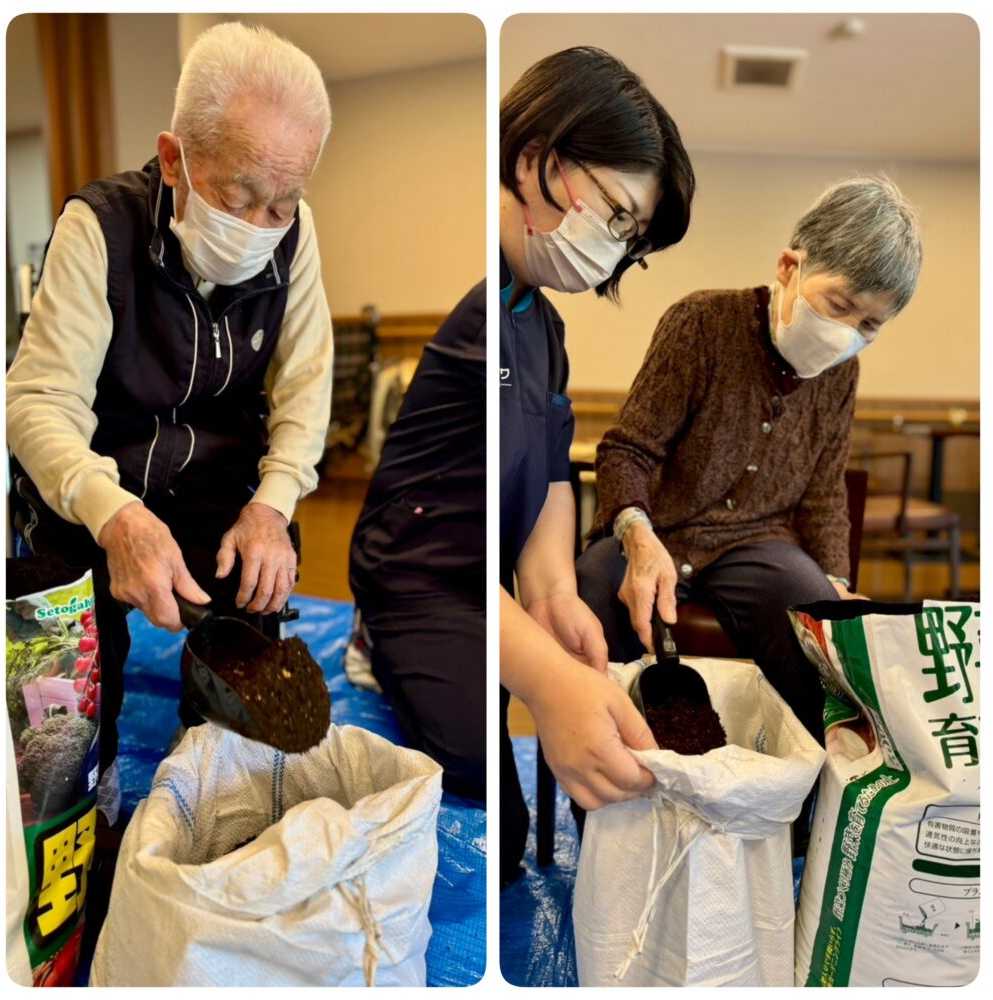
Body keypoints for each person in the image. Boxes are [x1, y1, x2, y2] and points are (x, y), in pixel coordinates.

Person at [6, 22, 334, 821]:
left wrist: (273, 505)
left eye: (282, 203)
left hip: (216, 487)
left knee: (258, 591)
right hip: (92, 487)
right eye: (235, 195)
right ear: (174, 158)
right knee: (58, 705)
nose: (262, 224)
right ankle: (81, 798)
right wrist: (116, 516)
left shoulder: (296, 237)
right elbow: (35, 403)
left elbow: (306, 385)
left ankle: (215, 753)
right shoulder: (99, 228)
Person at [576, 176, 923, 748]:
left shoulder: (843, 374)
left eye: (869, 327)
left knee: (816, 624)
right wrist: (636, 536)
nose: (846, 336)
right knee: (595, 591)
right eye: (839, 306)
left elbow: (823, 492)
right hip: (657, 529)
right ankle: (607, 783)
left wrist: (836, 582)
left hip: (756, 546)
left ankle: (800, 805)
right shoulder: (702, 324)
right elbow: (627, 448)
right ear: (789, 266)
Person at [498, 47, 695, 884]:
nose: (612, 256)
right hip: (424, 593)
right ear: (538, 152)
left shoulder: (541, 328)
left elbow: (549, 475)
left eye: (630, 245)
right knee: (493, 831)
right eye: (615, 218)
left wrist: (550, 596)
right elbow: (431, 557)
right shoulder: (466, 305)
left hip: (496, 598)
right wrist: (544, 679)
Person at [347, 283, 485, 802]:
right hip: (416, 563)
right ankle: (375, 641)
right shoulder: (485, 318)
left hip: (480, 568)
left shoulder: (546, 331)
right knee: (476, 768)